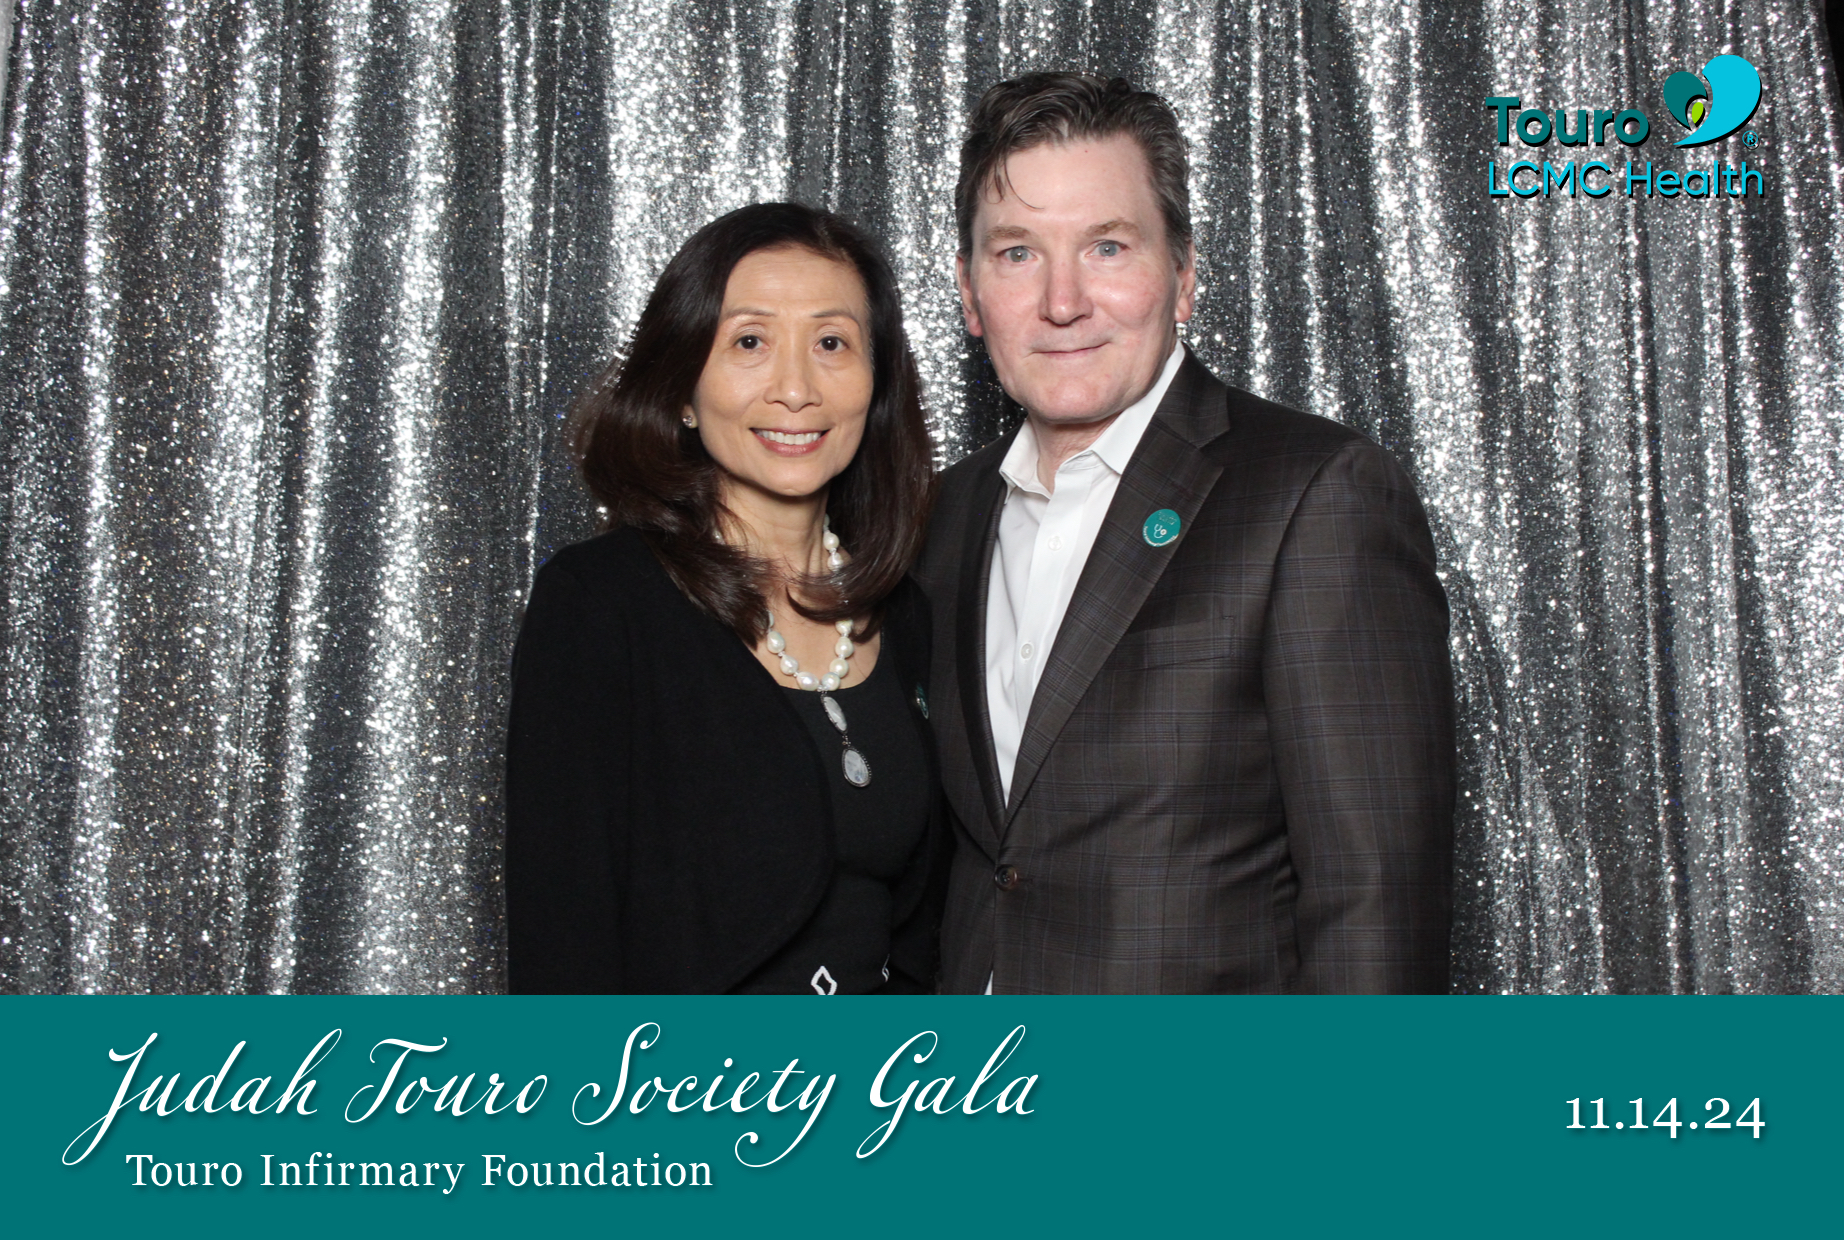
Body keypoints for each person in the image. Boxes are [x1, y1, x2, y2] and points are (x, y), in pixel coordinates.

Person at [915, 74, 1455, 993]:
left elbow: (1376, 910)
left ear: (1183, 275)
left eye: (1108, 246)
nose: (1062, 301)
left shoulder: (1316, 496)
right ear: (970, 294)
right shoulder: (941, 517)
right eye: (1017, 253)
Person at [505, 202, 943, 994]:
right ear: (681, 389)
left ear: (875, 383)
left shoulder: (908, 613)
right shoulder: (601, 604)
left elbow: (926, 933)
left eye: (832, 343)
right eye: (749, 342)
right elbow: (562, 941)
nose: (796, 389)